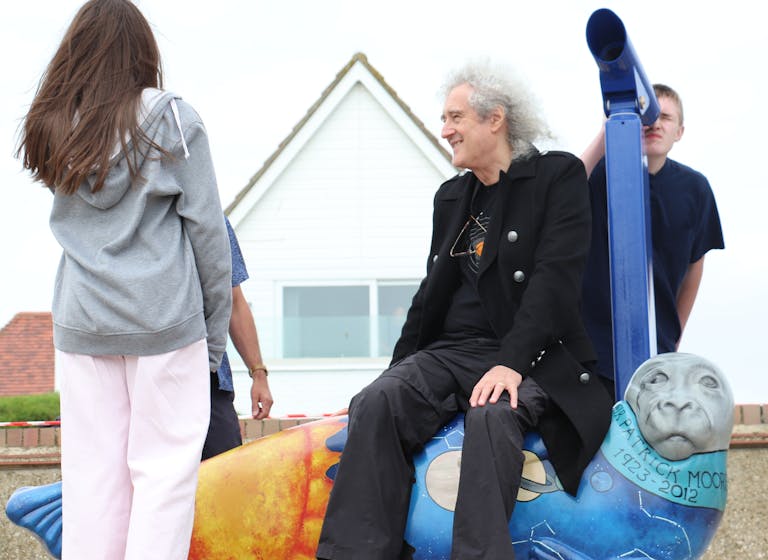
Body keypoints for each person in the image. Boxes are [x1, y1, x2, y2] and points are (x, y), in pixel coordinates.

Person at [316, 61, 613, 560]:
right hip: (451, 352)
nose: (445, 130)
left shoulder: (555, 176)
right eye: (445, 118)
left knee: (492, 415)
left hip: (534, 353)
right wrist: (395, 373)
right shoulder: (451, 196)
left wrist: (510, 362)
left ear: (494, 119)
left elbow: (554, 283)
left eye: (455, 117)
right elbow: (429, 296)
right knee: (377, 401)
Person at [16, 1, 232, 559]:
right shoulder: (174, 120)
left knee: (93, 484)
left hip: (83, 323)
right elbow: (209, 234)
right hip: (163, 323)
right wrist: (212, 339)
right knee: (162, 481)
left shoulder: (56, 125)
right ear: (143, 53)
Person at [580, 83, 725, 385]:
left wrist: (673, 341)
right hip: (590, 344)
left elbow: (694, 266)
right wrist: (608, 132)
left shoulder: (695, 188)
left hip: (656, 347)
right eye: (645, 116)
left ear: (680, 131)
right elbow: (563, 187)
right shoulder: (600, 173)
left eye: (665, 117)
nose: (654, 123)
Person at [202, 217, 273, 460]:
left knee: (227, 475)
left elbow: (235, 302)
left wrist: (258, 373)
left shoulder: (211, 217)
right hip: (142, 379)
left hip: (210, 380)